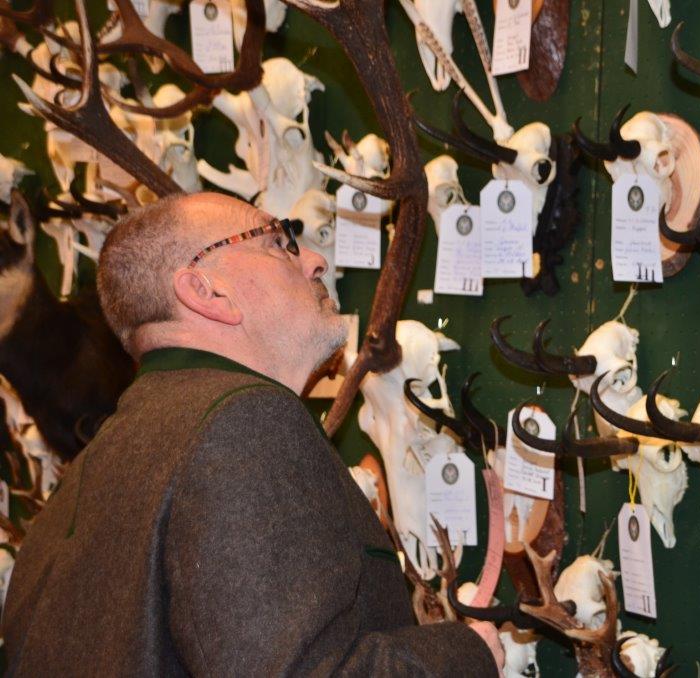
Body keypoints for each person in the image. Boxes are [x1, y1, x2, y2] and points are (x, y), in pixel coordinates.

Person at [1, 193, 504, 676]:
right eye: (278, 242)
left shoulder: (79, 485)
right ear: (207, 291)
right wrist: (467, 656)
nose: (314, 261)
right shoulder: (240, 422)